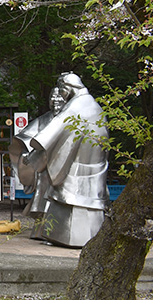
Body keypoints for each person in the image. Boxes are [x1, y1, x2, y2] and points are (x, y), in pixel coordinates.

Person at [21, 72, 109, 247]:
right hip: (94, 165)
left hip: (80, 165)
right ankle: (79, 237)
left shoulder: (77, 105)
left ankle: (71, 238)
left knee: (71, 198)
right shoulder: (93, 106)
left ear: (67, 89)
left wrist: (33, 157)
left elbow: (51, 135)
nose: (58, 98)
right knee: (86, 201)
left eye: (60, 92)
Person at [9, 87, 65, 240]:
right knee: (44, 198)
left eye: (60, 97)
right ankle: (41, 230)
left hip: (65, 169)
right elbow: (26, 136)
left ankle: (59, 232)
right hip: (45, 169)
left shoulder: (70, 120)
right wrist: (29, 153)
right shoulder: (44, 119)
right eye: (53, 97)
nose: (56, 101)